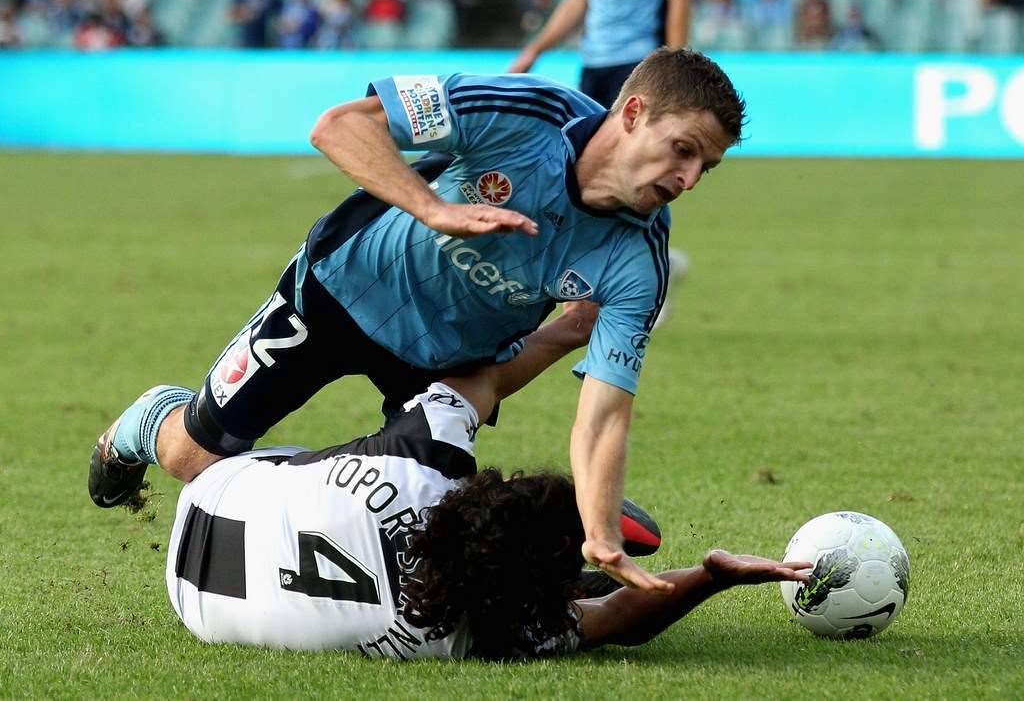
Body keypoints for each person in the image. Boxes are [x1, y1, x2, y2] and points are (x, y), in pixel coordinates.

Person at [90, 47, 745, 593]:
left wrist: (600, 533)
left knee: (431, 538)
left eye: (706, 168)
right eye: (683, 150)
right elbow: (340, 126)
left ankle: (552, 549)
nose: (689, 179)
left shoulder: (640, 259)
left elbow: (604, 416)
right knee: (191, 459)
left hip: (445, 364)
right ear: (632, 113)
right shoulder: (519, 112)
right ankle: (151, 418)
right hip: (339, 291)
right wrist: (433, 209)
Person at [162, 306, 810, 658]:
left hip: (216, 492)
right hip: (196, 604)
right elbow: (617, 620)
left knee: (225, 445)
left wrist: (573, 324)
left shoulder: (420, 464)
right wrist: (713, 575)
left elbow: (480, 380)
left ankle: (151, 420)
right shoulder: (470, 633)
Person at [509, 0, 693, 110]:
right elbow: (575, 4)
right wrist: (534, 50)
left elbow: (679, 2)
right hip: (593, 65)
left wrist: (674, 63)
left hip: (638, 66)